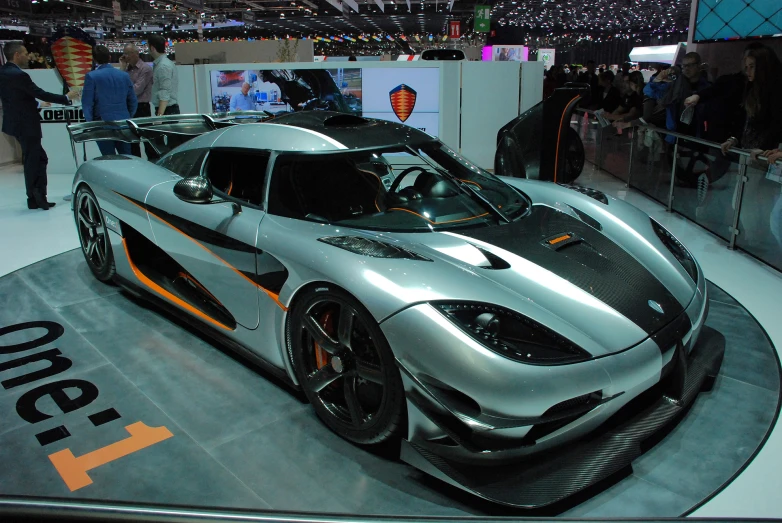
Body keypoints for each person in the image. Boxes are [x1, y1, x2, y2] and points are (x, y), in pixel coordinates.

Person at [0, 41, 79, 210]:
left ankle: (35, 197)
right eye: (25, 52)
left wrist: (37, 105)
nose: (28, 56)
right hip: (27, 124)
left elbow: (16, 98)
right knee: (35, 160)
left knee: (35, 159)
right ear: (16, 55)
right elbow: (38, 92)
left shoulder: (4, 72)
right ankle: (37, 197)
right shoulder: (19, 75)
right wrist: (66, 97)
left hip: (17, 123)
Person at [81, 45, 138, 156]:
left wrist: (91, 123)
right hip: (123, 122)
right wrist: (127, 115)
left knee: (108, 158)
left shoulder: (91, 76)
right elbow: (133, 101)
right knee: (126, 156)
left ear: (94, 59)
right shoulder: (123, 75)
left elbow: (87, 104)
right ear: (110, 57)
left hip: (102, 123)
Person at [119, 44, 153, 157]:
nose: (126, 56)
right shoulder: (126, 70)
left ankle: (153, 164)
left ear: (136, 54)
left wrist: (125, 91)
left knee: (149, 141)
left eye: (128, 53)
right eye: (124, 53)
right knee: (133, 142)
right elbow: (120, 86)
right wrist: (122, 68)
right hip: (129, 108)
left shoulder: (145, 69)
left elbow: (136, 90)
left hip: (142, 108)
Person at [148, 34, 179, 118]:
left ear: (152, 48)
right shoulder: (162, 64)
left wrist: (160, 116)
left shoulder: (163, 66)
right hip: (166, 109)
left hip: (167, 111)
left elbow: (165, 91)